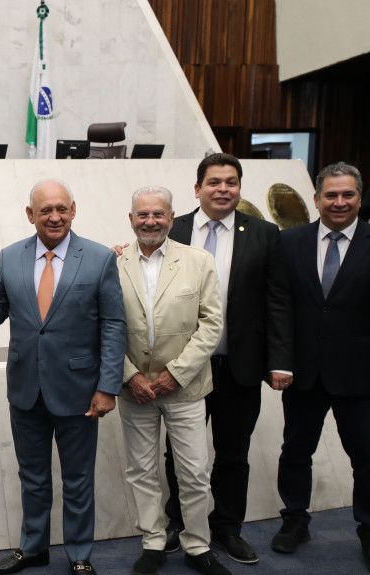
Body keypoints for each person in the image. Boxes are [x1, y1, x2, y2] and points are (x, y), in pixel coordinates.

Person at [0, 179, 126, 575]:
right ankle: (34, 548)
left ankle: (79, 554)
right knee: (33, 477)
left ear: (73, 210)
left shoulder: (98, 258)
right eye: (45, 210)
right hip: (25, 388)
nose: (55, 216)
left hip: (79, 390)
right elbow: (1, 306)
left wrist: (108, 387)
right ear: (31, 215)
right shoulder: (10, 256)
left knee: (78, 479)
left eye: (62, 208)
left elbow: (113, 324)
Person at [162, 153, 293, 563]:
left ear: (239, 188)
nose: (223, 189)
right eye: (215, 182)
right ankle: (179, 524)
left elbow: (278, 301)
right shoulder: (173, 229)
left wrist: (280, 360)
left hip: (239, 367)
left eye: (231, 182)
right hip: (184, 368)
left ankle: (226, 528)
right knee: (179, 453)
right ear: (197, 188)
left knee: (233, 453)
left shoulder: (264, 233)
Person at [117, 186, 227, 575]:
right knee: (141, 470)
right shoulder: (110, 264)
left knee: (194, 471)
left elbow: (212, 325)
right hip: (134, 391)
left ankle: (197, 546)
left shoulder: (199, 261)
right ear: (131, 219)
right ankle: (153, 541)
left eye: (158, 214)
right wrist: (130, 376)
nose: (150, 221)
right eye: (142, 215)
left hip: (186, 388)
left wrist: (175, 374)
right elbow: (104, 327)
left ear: (171, 217)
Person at [274, 162, 370, 569]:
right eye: (331, 195)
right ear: (316, 199)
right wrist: (279, 361)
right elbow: (279, 305)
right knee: (296, 451)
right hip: (303, 372)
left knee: (365, 458)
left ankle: (367, 530)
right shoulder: (290, 242)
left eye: (347, 194)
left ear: (359, 198)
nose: (339, 202)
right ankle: (295, 520)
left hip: (361, 375)